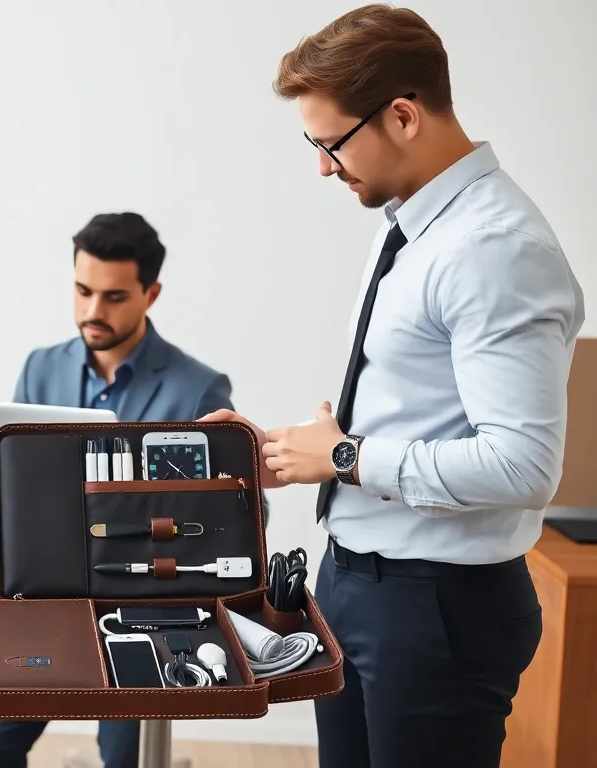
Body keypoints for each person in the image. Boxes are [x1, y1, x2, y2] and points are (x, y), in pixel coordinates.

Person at [201, 6, 584, 768]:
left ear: (402, 115)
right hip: (360, 585)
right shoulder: (413, 224)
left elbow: (524, 467)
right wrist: (277, 449)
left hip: (436, 609)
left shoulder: (497, 250)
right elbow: (410, 410)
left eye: (330, 143)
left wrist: (344, 455)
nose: (322, 166)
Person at [0, 212, 238, 768]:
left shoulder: (197, 386)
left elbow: (242, 512)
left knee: (126, 756)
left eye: (114, 297)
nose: (93, 312)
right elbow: (19, 487)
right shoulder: (40, 369)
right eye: (83, 291)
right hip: (46, 595)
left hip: (144, 602)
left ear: (150, 293)